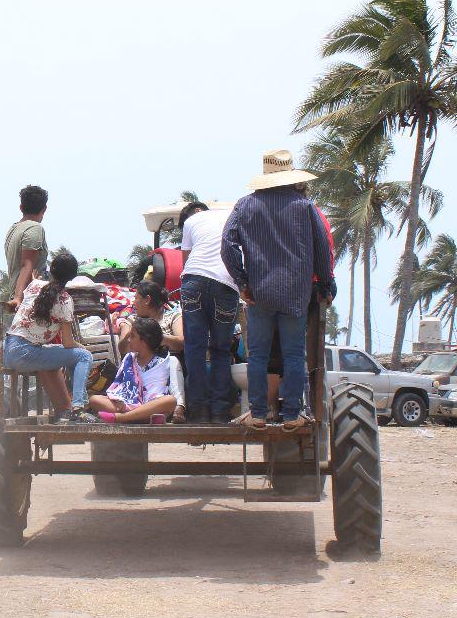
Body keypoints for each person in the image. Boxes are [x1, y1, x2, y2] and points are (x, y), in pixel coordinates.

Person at [221, 149, 335, 430]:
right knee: (295, 354)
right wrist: (325, 284)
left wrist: (243, 282)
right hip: (296, 293)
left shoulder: (245, 205)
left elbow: (227, 245)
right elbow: (322, 250)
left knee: (258, 356)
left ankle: (258, 413)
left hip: (259, 292)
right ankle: (293, 414)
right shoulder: (305, 206)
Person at [4, 252, 93, 419]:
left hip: (9, 349)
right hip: (26, 353)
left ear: (51, 270)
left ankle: (70, 407)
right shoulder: (65, 300)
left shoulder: (34, 285)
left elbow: (31, 280)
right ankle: (79, 407)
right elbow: (68, 343)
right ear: (73, 277)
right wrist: (83, 347)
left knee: (57, 350)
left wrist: (32, 276)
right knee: (84, 357)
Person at [179, 200, 239, 424]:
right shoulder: (232, 215)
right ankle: (220, 412)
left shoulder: (191, 221)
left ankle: (199, 410)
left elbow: (185, 261)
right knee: (221, 350)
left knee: (195, 348)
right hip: (226, 283)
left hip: (194, 279)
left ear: (194, 212)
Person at [87, 317, 183, 423]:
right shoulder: (129, 359)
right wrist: (118, 399)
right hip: (128, 404)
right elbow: (119, 385)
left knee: (170, 401)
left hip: (152, 404)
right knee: (94, 399)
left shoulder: (165, 361)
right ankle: (142, 417)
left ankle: (121, 418)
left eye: (132, 336)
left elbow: (173, 393)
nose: (128, 340)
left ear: (144, 340)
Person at [116, 280, 185, 415]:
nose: (133, 302)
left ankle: (180, 407)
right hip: (140, 365)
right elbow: (123, 349)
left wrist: (154, 336)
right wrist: (130, 333)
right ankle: (139, 409)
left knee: (173, 362)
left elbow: (181, 343)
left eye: (136, 298)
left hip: (166, 366)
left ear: (147, 300)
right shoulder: (132, 320)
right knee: (96, 400)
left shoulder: (172, 316)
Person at [5, 185, 49, 308]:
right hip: (31, 298)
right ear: (44, 208)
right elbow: (26, 264)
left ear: (21, 208)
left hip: (23, 297)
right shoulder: (34, 228)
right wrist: (18, 298)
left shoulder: (14, 229)